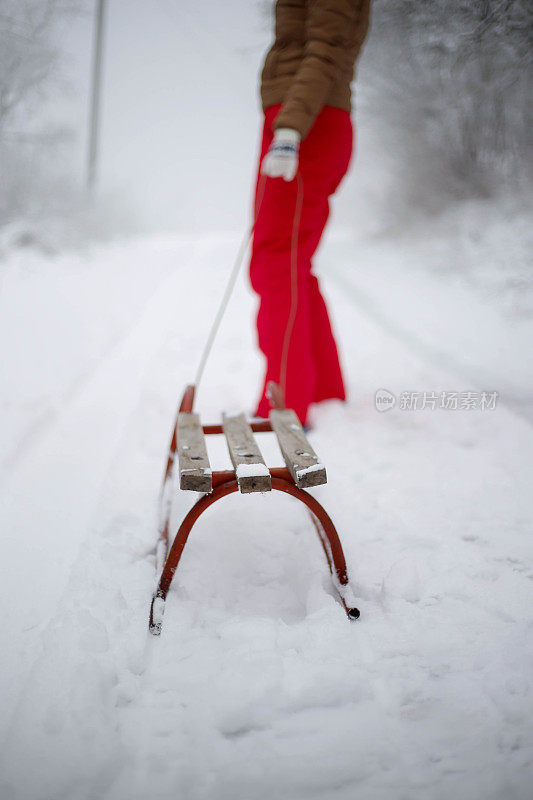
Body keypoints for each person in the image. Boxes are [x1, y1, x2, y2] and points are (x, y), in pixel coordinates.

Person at [249, 0, 371, 427]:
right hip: (302, 118)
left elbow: (327, 46)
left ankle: (286, 404)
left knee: (275, 261)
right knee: (290, 261)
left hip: (307, 123)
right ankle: (318, 388)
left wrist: (291, 127)